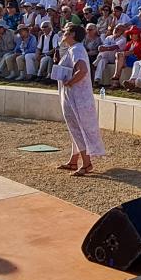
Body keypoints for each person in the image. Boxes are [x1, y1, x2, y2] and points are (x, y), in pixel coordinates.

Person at [56, 23, 105, 176]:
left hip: (76, 97)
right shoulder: (74, 49)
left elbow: (82, 70)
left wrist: (70, 82)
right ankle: (74, 160)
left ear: (72, 35)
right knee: (75, 127)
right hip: (75, 96)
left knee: (78, 128)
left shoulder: (76, 49)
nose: (63, 33)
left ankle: (87, 163)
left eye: (66, 32)